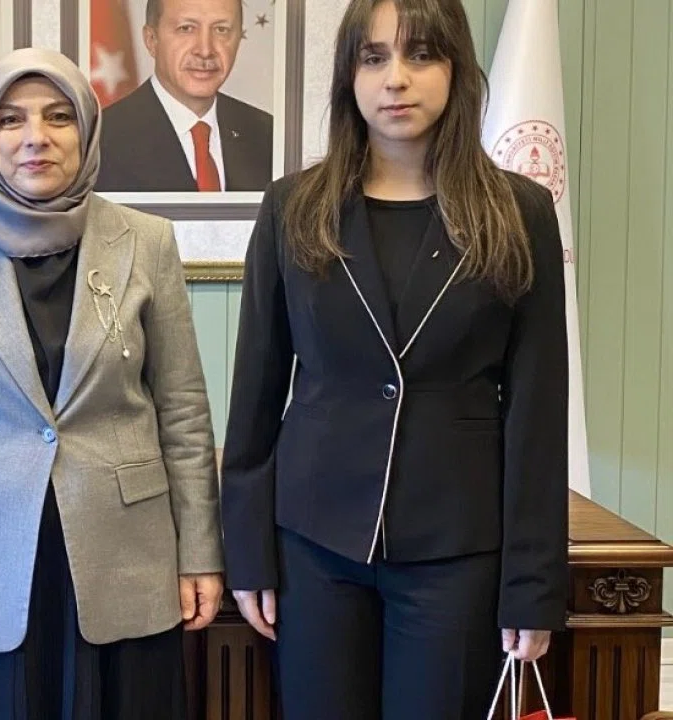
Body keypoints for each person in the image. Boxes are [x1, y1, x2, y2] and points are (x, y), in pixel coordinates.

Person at [219, 0, 568, 717]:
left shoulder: (520, 212)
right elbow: (255, 394)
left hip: (457, 551)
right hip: (313, 545)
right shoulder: (293, 208)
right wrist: (247, 553)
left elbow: (537, 413)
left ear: (456, 68)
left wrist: (533, 587)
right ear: (349, 75)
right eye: (373, 57)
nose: (395, 78)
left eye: (421, 54)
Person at [0, 47, 224, 720]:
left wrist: (200, 553)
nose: (36, 136)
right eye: (11, 119)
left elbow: (183, 412)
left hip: (122, 555)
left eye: (59, 117)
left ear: (87, 130)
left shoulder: (146, 242)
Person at [96, 0, 272, 193]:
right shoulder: (101, 140)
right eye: (186, 28)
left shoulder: (267, 135)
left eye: (221, 30)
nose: (205, 51)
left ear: (238, 39)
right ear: (151, 40)